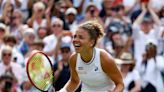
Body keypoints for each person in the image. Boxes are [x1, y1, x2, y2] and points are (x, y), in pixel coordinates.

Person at [59, 20, 124, 92]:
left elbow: (120, 84)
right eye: (75, 36)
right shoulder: (73, 59)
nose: (75, 40)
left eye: (81, 37)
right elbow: (74, 81)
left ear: (91, 42)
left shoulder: (105, 59)